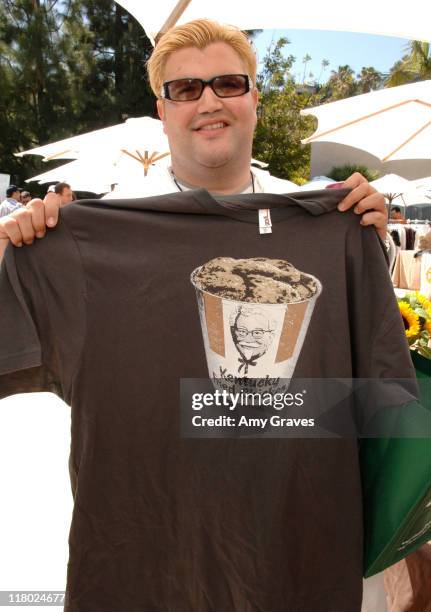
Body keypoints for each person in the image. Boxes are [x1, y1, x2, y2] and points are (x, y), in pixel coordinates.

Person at [0, 21, 387, 256]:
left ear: (254, 101)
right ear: (163, 113)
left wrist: (370, 241)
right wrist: (15, 252)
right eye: (185, 89)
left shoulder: (307, 212)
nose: (209, 102)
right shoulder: (111, 221)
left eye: (229, 84)